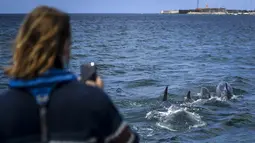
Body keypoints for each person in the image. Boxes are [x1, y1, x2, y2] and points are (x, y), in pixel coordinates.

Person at [0, 5, 139, 143]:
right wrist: (95, 95)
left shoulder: (4, 106)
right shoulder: (92, 100)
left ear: (21, 45)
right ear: (65, 46)